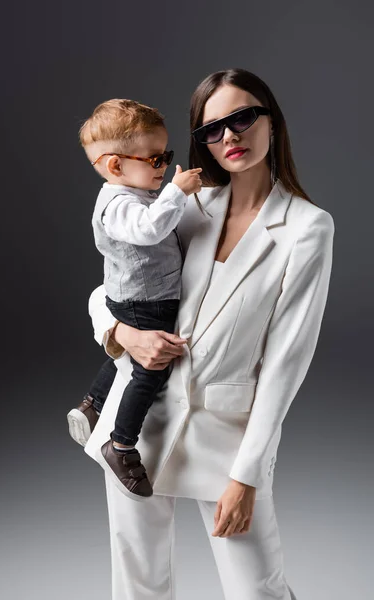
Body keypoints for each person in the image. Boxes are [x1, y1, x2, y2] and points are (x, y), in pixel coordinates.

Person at [84, 68, 335, 600]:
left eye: (243, 118)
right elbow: (109, 288)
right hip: (134, 431)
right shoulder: (185, 205)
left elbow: (287, 361)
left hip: (226, 439)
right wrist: (125, 334)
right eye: (212, 129)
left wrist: (249, 475)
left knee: (257, 590)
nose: (230, 137)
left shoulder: (307, 228)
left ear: (272, 121)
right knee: (138, 588)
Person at [66, 98, 202, 499]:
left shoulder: (134, 193)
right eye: (155, 159)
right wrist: (176, 192)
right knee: (150, 371)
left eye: (166, 156)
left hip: (143, 297)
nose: (163, 166)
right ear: (115, 166)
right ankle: (121, 444)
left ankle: (92, 405)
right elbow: (148, 230)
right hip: (143, 302)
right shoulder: (119, 203)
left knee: (125, 357)